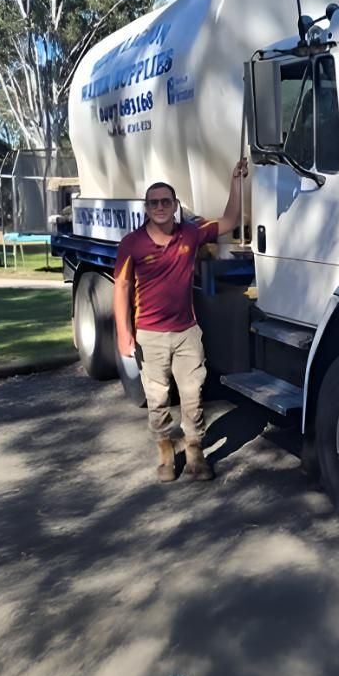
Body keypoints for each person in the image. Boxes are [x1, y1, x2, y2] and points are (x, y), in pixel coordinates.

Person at [114, 160, 248, 483]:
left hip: (187, 332)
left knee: (193, 395)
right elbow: (121, 285)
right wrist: (123, 331)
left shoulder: (190, 234)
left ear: (175, 206)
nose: (160, 207)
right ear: (146, 208)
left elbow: (229, 221)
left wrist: (235, 183)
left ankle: (195, 453)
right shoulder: (132, 243)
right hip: (150, 334)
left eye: (166, 202)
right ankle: (164, 453)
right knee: (158, 399)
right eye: (153, 202)